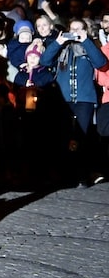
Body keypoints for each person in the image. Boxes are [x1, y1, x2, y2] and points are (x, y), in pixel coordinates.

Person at [40, 18, 108, 187]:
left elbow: (101, 63)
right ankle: (65, 175)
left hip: (84, 100)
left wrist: (86, 40)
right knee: (64, 136)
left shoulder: (89, 48)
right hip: (64, 100)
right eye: (73, 29)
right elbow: (44, 61)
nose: (75, 32)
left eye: (79, 29)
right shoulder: (63, 49)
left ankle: (82, 175)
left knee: (81, 137)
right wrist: (57, 42)